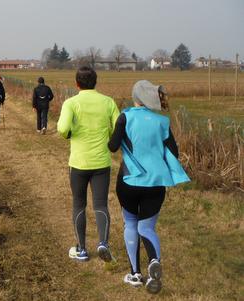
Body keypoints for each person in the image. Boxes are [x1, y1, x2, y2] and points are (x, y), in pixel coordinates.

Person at [108, 80, 189, 294]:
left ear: (135, 97)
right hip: (155, 184)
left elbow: (113, 146)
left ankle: (135, 274)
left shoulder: (125, 117)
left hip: (129, 182)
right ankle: (154, 260)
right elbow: (174, 153)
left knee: (130, 224)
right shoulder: (162, 122)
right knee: (147, 228)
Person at [57, 66, 120, 263]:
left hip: (79, 163)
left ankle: (82, 249)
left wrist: (68, 134)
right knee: (101, 204)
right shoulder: (108, 102)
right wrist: (109, 139)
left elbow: (63, 128)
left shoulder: (71, 103)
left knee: (79, 205)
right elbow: (118, 127)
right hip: (101, 162)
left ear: (77, 84)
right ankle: (103, 243)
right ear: (95, 82)